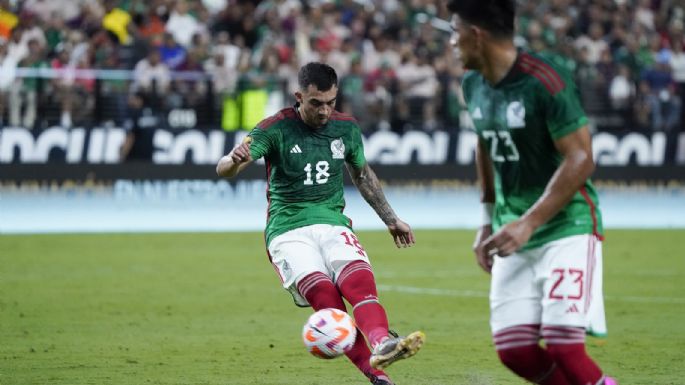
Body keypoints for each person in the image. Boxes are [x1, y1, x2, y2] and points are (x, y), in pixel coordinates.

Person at [216, 62, 424, 385]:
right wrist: (233, 161)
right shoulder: (275, 128)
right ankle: (377, 375)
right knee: (328, 300)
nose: (325, 111)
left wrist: (391, 219)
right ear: (298, 96)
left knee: (360, 285)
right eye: (316, 103)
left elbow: (363, 175)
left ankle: (383, 342)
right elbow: (225, 169)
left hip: (334, 223)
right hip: (287, 231)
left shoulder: (347, 128)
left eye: (331, 102)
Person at [446, 1, 617, 385]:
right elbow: (485, 145)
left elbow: (581, 158)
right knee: (515, 351)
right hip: (511, 230)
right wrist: (487, 219)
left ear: (476, 35)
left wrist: (529, 223)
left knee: (564, 347)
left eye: (454, 32)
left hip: (566, 227)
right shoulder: (472, 84)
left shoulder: (545, 79)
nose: (451, 43)